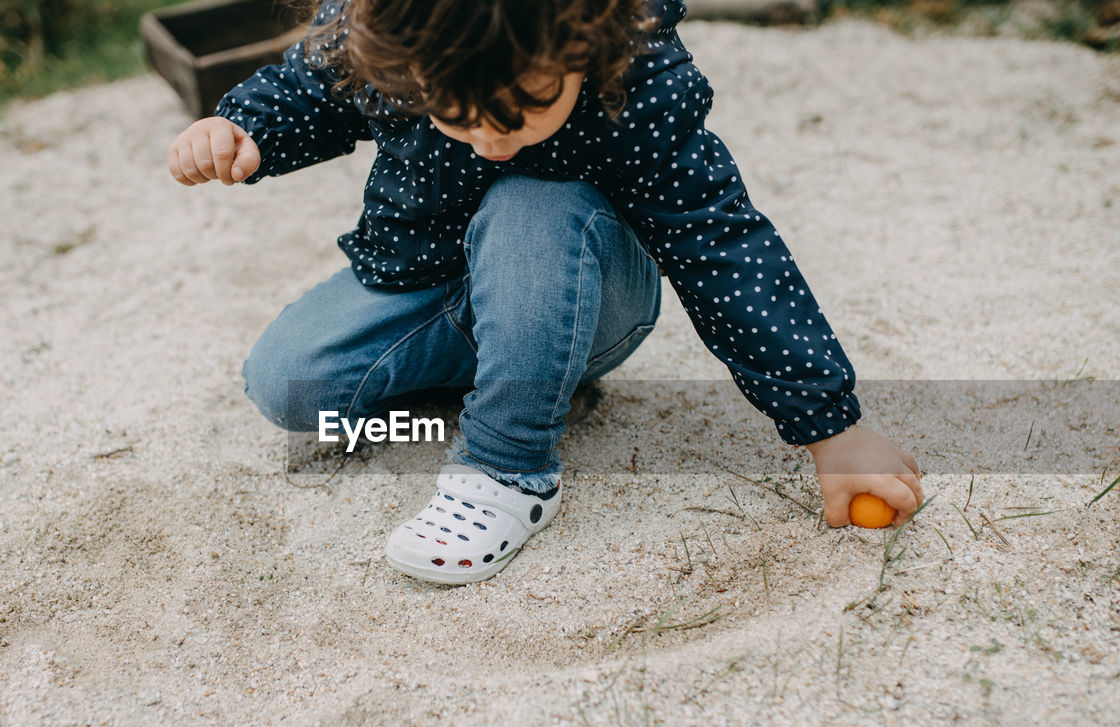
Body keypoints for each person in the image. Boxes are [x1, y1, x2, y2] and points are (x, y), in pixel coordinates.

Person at [167, 0, 924, 584]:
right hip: (439, 278)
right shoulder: (393, 29)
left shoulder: (633, 73)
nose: (493, 138)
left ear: (579, 41)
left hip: (580, 287)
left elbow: (720, 243)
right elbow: (312, 82)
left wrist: (832, 427)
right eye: (457, 114)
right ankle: (517, 386)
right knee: (289, 387)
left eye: (524, 106)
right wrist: (244, 128)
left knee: (528, 196)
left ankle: (507, 467)